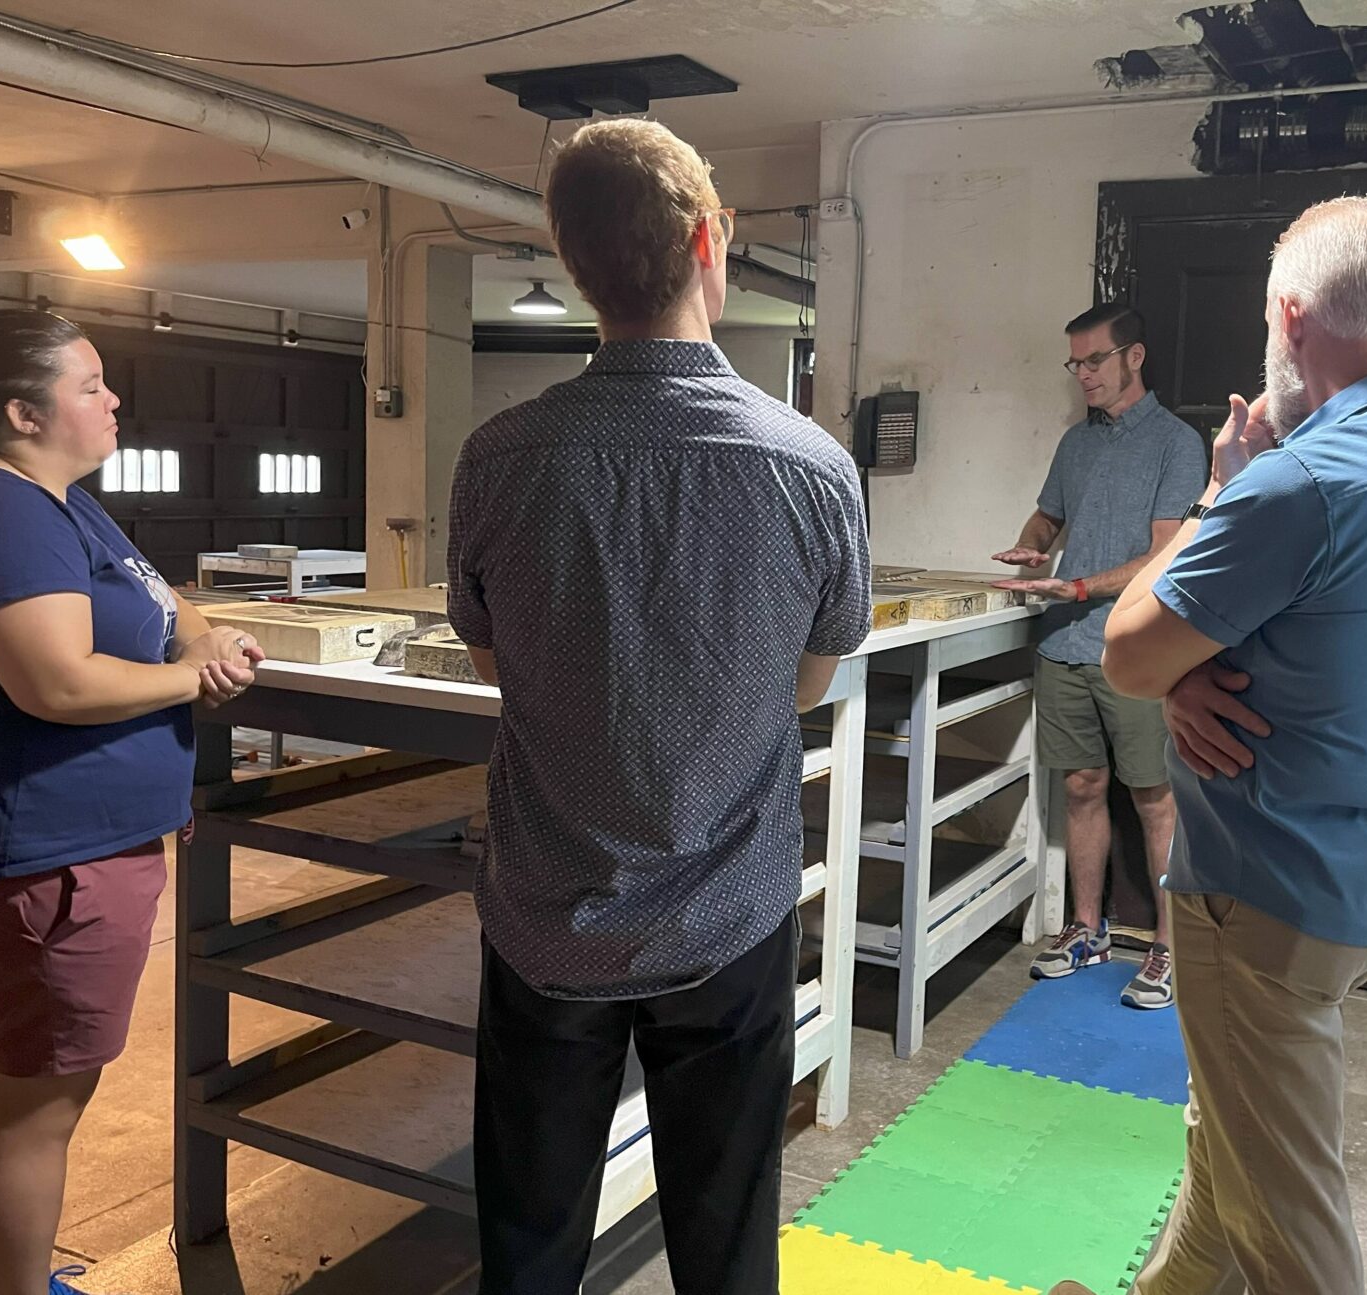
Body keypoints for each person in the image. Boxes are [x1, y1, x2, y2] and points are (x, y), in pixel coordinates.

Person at [446, 119, 870, 1294]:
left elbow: (493, 661)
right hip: (725, 910)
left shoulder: (499, 456)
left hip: (545, 904)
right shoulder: (809, 466)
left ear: (570, 259)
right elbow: (808, 676)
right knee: (724, 1241)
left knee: (527, 1236)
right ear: (705, 239)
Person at [1063, 195, 1367, 1294]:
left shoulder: (1297, 481)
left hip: (1264, 899)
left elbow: (1123, 652)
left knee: (1291, 1221)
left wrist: (1218, 488)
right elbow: (1324, 638)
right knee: (1232, 1136)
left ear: (1289, 317)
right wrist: (1189, 667)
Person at [0, 310, 263, 1295]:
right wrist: (195, 679)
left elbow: (165, 600)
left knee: (24, 1081)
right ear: (23, 410)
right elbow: (56, 683)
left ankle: (15, 1275)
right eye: (90, 383)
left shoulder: (55, 498)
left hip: (67, 846)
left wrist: (200, 639)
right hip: (40, 854)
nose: (113, 398)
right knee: (40, 1101)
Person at [991, 303, 1206, 1008]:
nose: (1081, 374)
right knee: (1081, 787)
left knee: (1155, 798)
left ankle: (1171, 948)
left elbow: (1164, 553)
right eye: (1074, 363)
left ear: (1133, 356)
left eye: (1093, 360)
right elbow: (1048, 515)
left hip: (1137, 647)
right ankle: (1088, 929)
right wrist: (1034, 543)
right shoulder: (1074, 444)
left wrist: (1081, 582)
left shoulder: (1176, 443)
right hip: (1065, 642)